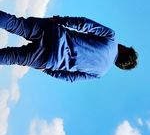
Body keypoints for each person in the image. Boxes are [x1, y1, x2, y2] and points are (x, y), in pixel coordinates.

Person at [0, 10, 138, 82]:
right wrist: (46, 70)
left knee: (15, 24)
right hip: (48, 60)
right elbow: (70, 78)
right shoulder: (99, 74)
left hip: (55, 34)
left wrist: (58, 20)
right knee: (10, 57)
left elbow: (84, 24)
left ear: (125, 49)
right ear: (119, 65)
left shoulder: (111, 37)